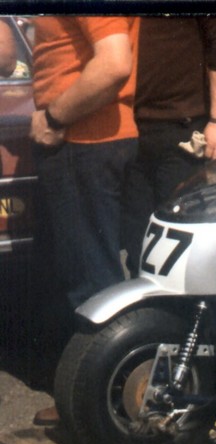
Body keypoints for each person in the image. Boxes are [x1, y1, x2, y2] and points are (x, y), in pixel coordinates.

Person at [29, 16, 139, 422]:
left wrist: (55, 117)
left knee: (92, 281)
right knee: (93, 273)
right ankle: (103, 391)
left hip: (81, 138)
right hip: (90, 138)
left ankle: (99, 407)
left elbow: (113, 64)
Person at [120, 17, 216, 277]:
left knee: (185, 244)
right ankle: (149, 316)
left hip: (182, 131)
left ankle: (193, 317)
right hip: (131, 130)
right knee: (137, 243)